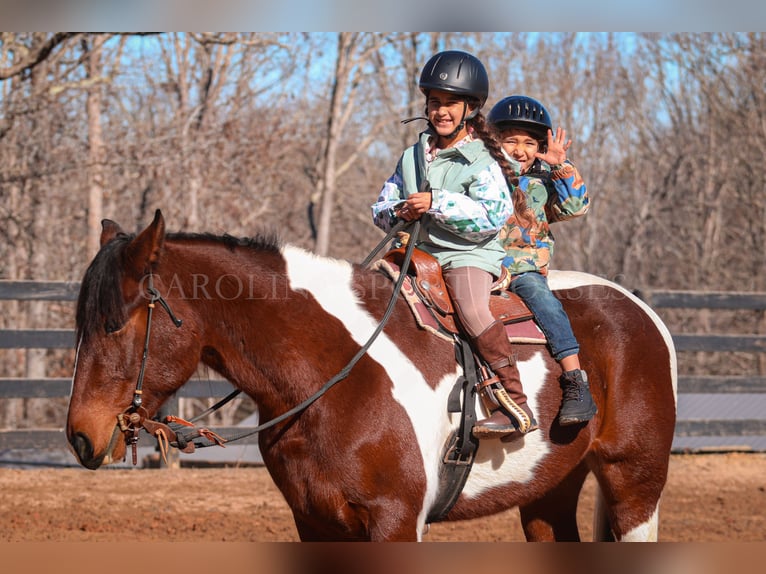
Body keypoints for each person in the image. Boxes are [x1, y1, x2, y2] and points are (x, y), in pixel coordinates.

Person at [371, 50, 538, 439]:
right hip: (418, 253)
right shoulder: (412, 156)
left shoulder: (483, 158)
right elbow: (380, 206)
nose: (441, 111)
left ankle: (515, 402)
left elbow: (490, 217)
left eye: (450, 103)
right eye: (434, 103)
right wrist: (399, 210)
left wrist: (436, 203)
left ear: (471, 108)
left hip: (469, 254)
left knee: (472, 310)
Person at [487, 94, 597, 426]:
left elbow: (576, 207)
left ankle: (575, 379)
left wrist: (559, 165)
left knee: (544, 302)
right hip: (483, 266)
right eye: (511, 141)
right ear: (496, 143)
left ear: (539, 147)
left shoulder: (542, 183)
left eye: (529, 142)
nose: (519, 149)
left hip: (524, 270)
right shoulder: (484, 180)